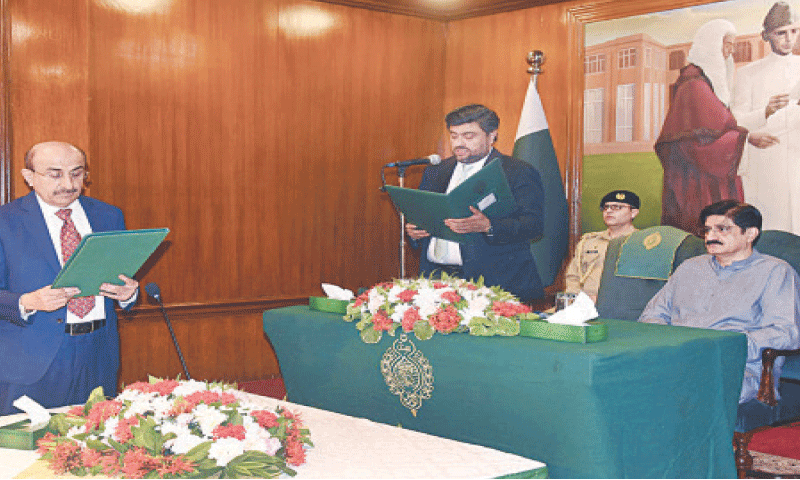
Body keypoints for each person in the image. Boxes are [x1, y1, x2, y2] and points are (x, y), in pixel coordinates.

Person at [0, 141, 139, 415]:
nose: (68, 183)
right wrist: (27, 301)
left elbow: (122, 276)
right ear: (29, 177)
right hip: (32, 361)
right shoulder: (6, 222)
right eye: (55, 174)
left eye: (77, 173)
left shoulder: (108, 215)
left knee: (95, 449)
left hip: (97, 354)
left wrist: (129, 293)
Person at [639, 200, 800, 405]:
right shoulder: (690, 268)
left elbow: (786, 332)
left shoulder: (775, 272)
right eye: (707, 230)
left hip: (736, 368)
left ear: (750, 234)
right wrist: (672, 343)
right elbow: (652, 315)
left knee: (681, 389)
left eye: (722, 229)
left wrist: (727, 346)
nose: (711, 236)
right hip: (677, 358)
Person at [405, 104, 545, 301]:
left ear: (492, 135)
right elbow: (424, 218)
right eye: (454, 136)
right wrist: (414, 232)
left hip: (494, 285)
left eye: (468, 136)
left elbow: (534, 225)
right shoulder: (435, 172)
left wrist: (489, 226)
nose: (459, 143)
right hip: (436, 281)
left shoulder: (516, 171)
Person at [655, 19, 748, 234]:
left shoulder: (704, 81)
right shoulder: (694, 83)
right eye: (726, 44)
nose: (730, 51)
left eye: (733, 45)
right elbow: (705, 140)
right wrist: (745, 138)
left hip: (704, 172)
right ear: (712, 45)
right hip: (696, 178)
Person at [732, 1, 800, 234]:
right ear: (766, 36)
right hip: (768, 161)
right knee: (773, 226)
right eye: (781, 33)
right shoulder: (748, 73)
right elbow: (736, 121)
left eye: (794, 31)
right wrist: (765, 112)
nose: (789, 39)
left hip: (798, 158)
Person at [564, 190, 639, 302]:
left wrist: (603, 301)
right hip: (583, 304)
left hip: (620, 306)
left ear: (633, 212)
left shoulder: (640, 243)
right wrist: (576, 299)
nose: (609, 211)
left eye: (617, 207)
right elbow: (573, 276)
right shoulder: (589, 241)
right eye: (606, 207)